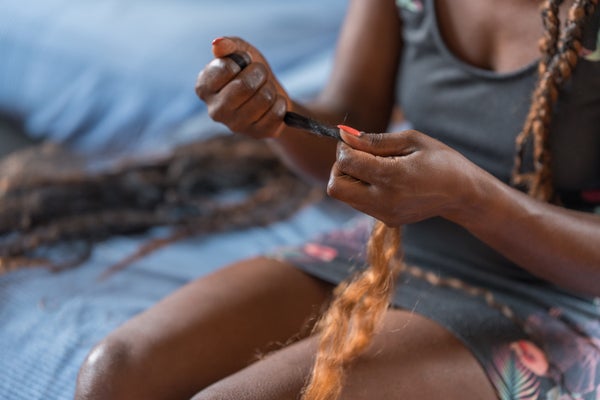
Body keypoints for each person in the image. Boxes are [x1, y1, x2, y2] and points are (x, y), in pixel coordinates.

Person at [74, 0, 600, 399]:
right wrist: (275, 115)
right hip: (392, 248)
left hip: (558, 300)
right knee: (113, 372)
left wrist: (471, 198)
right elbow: (349, 124)